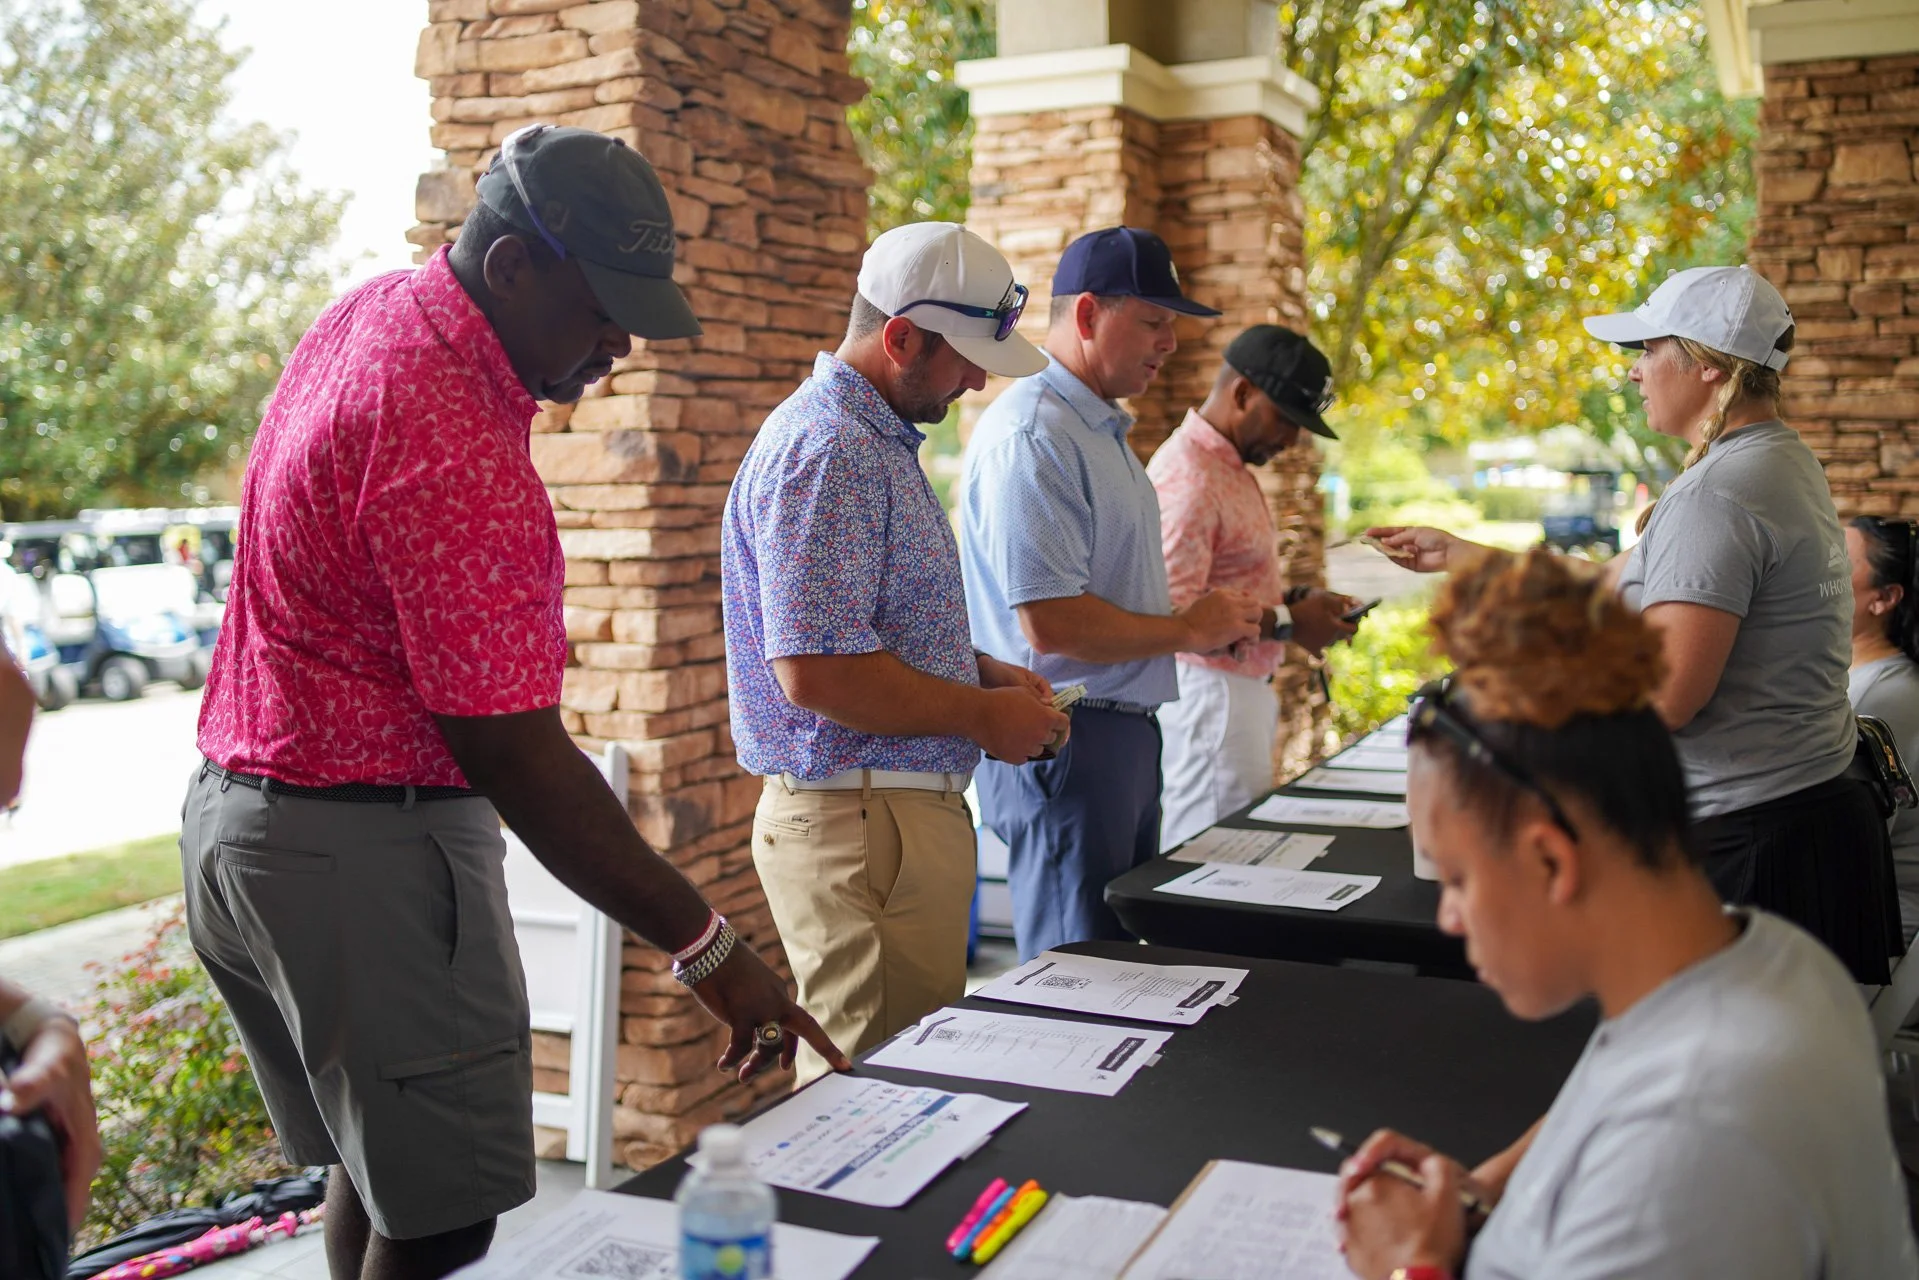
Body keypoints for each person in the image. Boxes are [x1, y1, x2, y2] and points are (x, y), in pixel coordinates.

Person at [185, 126, 845, 1280]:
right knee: (444, 1214)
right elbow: (516, 754)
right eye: (602, 308)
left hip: (249, 825)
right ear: (512, 269)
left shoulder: (371, 314)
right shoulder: (443, 427)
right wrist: (706, 946)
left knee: (379, 1161)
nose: (620, 343)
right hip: (358, 845)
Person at [1334, 547, 1918, 1280]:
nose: (1448, 918)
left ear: (1550, 860)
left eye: (1456, 879)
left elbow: (1662, 1141)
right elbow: (1605, 1095)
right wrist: (1482, 1192)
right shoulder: (1761, 954)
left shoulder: (1692, 1143)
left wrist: (1408, 1266)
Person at [1373, 266, 1900, 983]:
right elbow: (1608, 583)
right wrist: (1462, 556)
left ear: (1708, 368)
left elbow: (1664, 700)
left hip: (1755, 844)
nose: (1631, 372)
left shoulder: (1716, 494)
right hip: (1800, 819)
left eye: (1647, 349)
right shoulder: (1776, 459)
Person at [721, 222, 1066, 1082]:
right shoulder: (830, 449)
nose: (979, 378)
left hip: (879, 824)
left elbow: (855, 629)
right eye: (965, 356)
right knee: (875, 1107)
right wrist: (981, 713)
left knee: (900, 1096)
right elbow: (815, 670)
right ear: (900, 336)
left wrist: (976, 670)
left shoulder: (866, 440)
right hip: (863, 825)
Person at [959, 226, 1264, 962]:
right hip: (1071, 734)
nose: (1170, 344)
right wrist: (1189, 629)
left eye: (1174, 326)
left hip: (1116, 733)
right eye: (1154, 322)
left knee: (1119, 969)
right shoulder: (1036, 433)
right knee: (1076, 979)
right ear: (1089, 315)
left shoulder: (1095, 429)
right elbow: (1051, 622)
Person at [1148, 325, 1360, 850]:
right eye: (1286, 419)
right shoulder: (1192, 476)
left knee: (1232, 860)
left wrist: (1296, 605)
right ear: (1242, 393)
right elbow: (1174, 613)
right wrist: (1288, 624)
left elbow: (1223, 583)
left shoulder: (1226, 464)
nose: (1291, 439)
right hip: (1209, 697)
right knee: (1211, 865)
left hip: (1233, 695)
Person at [1847, 515, 1919, 945]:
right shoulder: (1850, 677)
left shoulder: (1887, 698)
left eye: (1840, 561)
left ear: (1884, 598)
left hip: (1884, 933)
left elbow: (1849, 848)